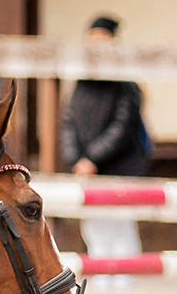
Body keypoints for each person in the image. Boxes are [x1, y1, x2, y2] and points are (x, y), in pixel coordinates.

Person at [62, 14, 152, 261]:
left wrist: (92, 158)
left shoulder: (125, 83)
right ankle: (101, 278)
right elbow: (69, 122)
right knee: (93, 226)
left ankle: (124, 278)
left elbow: (122, 127)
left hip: (119, 166)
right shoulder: (81, 81)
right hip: (86, 168)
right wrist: (76, 158)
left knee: (120, 224)